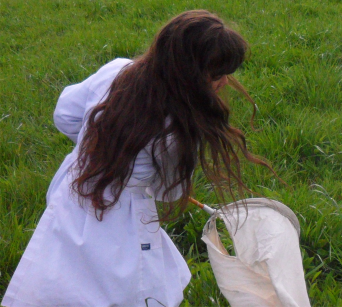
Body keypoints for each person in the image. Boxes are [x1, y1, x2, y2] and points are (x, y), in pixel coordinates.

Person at [2, 10, 271, 307]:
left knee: (60, 268)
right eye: (217, 74)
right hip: (123, 216)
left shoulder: (116, 70)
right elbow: (170, 191)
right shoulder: (179, 127)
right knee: (129, 285)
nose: (224, 81)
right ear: (189, 72)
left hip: (73, 189)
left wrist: (95, 148)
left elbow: (65, 114)